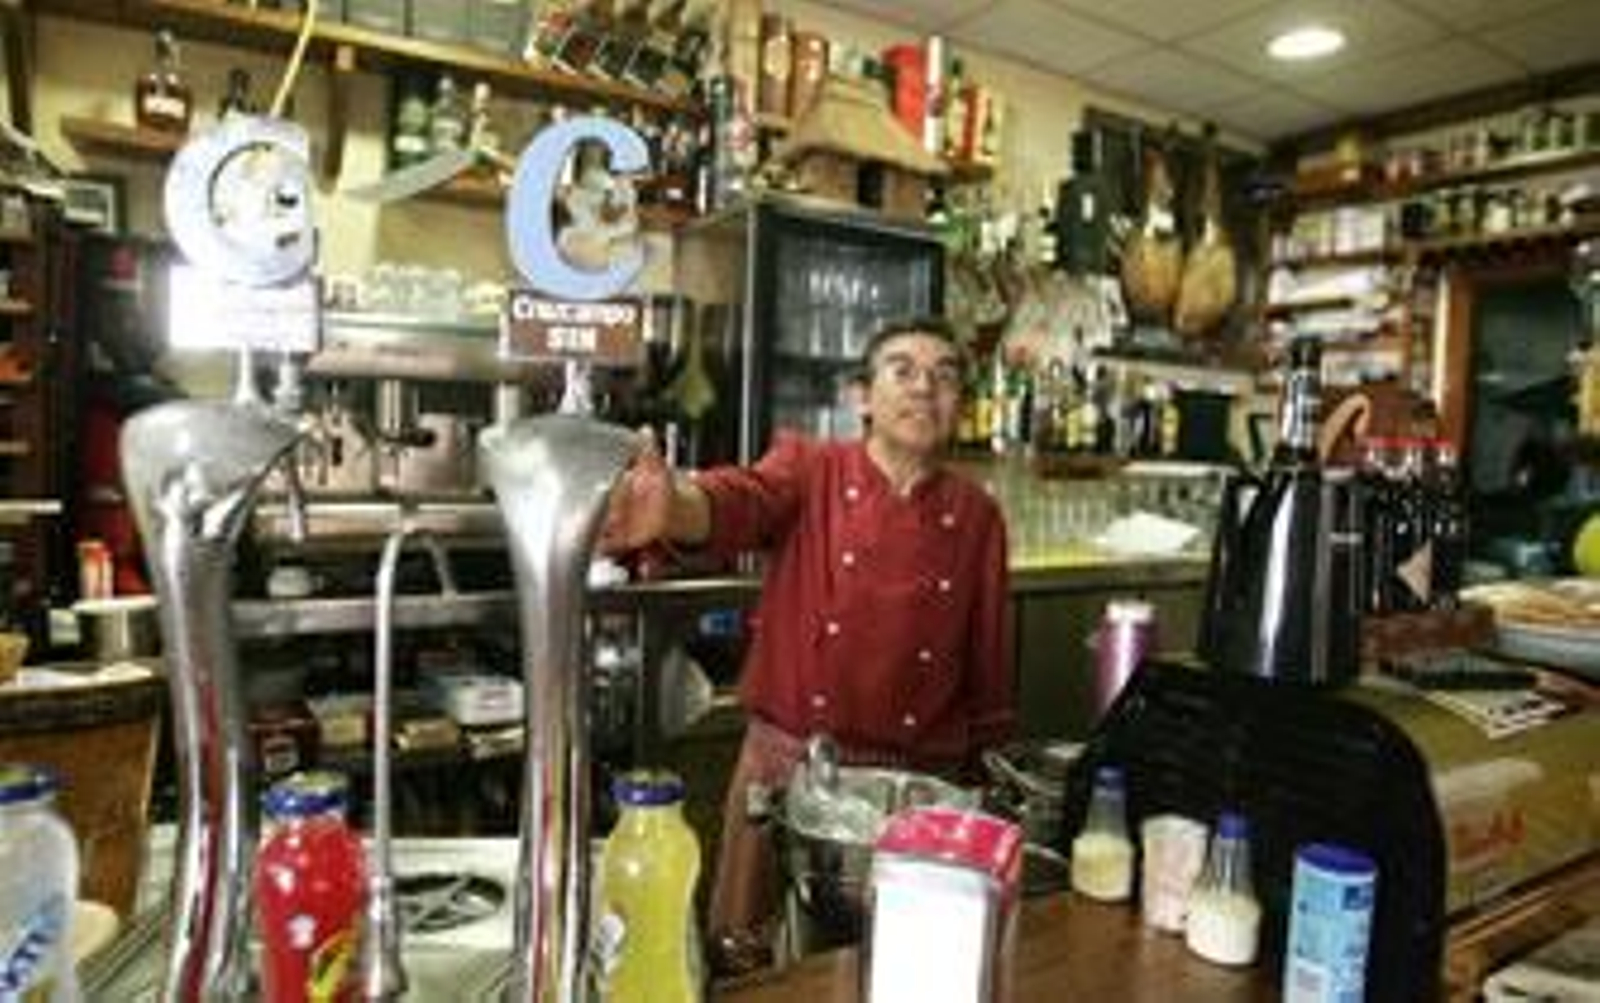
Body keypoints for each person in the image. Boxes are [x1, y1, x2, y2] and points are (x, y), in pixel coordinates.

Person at [599, 315, 1014, 971]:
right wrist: (673, 504)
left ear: (960, 403)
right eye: (902, 370)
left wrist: (986, 781)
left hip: (920, 792)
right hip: (792, 774)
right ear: (863, 398)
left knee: (909, 969)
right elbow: (738, 500)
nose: (923, 388)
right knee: (756, 962)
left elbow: (989, 664)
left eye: (944, 376)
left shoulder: (978, 514)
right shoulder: (811, 468)